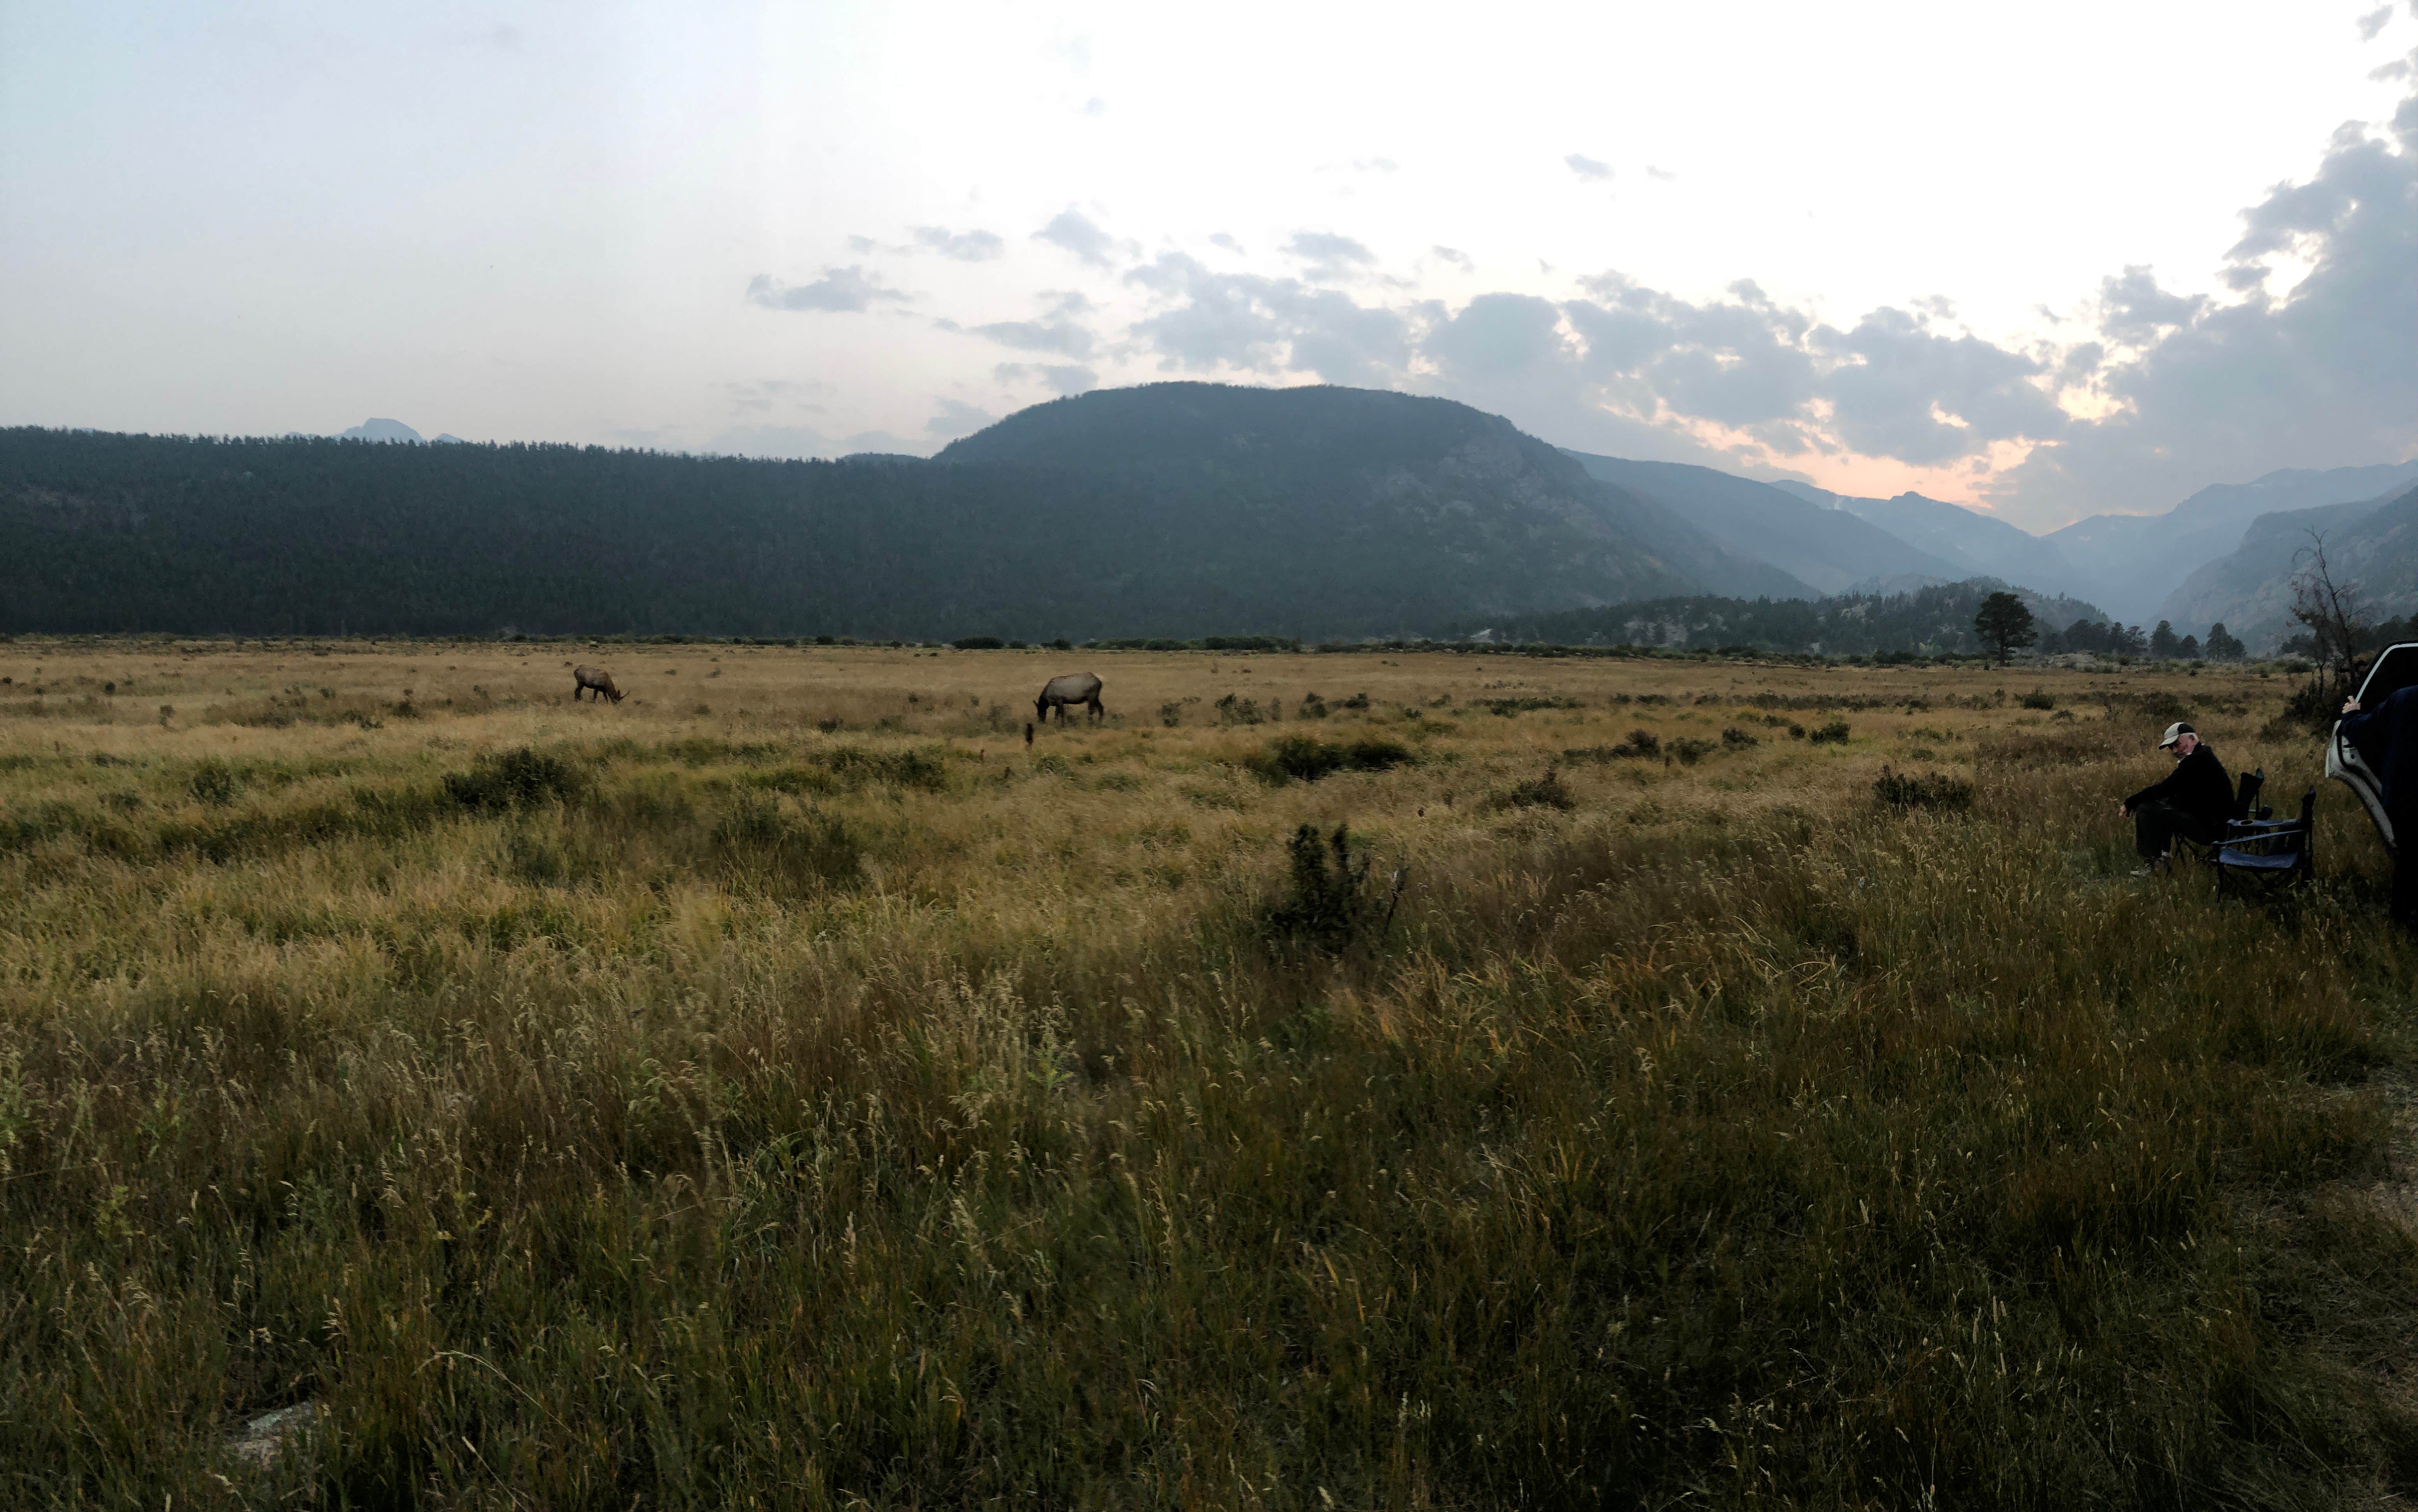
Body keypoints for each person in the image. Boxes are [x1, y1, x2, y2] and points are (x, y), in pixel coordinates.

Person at [2339, 687, 2418, 928]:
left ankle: (2401, 924)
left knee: (2409, 860)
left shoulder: (2404, 698)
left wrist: (2352, 714)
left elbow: (2365, 732)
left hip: (2404, 796)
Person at [2116, 721, 2232, 875]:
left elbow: (2166, 788)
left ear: (2192, 739)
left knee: (2146, 809)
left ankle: (2154, 864)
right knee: (2162, 804)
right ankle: (2163, 856)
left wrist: (2131, 803)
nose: (2175, 751)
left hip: (2212, 829)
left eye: (2177, 744)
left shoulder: (2196, 760)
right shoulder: (2204, 755)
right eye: (2172, 747)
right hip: (2219, 823)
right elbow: (2179, 793)